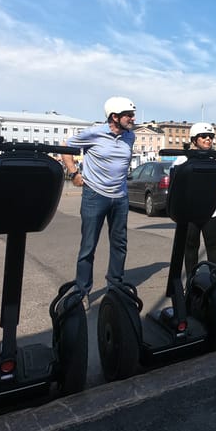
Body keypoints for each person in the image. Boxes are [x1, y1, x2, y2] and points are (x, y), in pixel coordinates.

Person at [62, 96, 136, 308]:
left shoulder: (129, 137)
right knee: (88, 245)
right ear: (114, 117)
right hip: (95, 195)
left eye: (133, 114)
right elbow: (65, 147)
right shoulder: (94, 132)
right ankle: (82, 290)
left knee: (120, 244)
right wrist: (74, 173)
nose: (133, 118)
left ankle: (115, 286)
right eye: (128, 115)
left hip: (120, 197)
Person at [173, 122, 216, 275]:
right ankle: (191, 278)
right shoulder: (183, 160)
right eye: (203, 136)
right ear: (194, 140)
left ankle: (215, 278)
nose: (208, 139)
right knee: (191, 245)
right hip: (190, 211)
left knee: (212, 244)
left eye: (211, 136)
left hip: (213, 211)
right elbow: (174, 178)